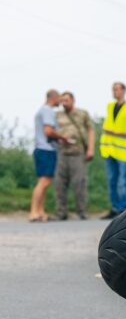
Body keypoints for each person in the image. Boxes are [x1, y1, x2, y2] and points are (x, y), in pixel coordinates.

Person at [100, 82, 126, 219]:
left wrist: (116, 133)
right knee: (112, 180)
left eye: (117, 89)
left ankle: (124, 209)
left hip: (124, 152)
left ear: (124, 91)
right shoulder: (110, 107)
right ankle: (114, 208)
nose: (114, 92)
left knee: (122, 181)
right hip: (109, 150)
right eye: (113, 89)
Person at [53, 91, 95, 220]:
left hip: (78, 153)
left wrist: (91, 149)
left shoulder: (82, 113)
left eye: (66, 100)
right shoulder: (57, 115)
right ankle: (61, 212)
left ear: (73, 100)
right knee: (60, 184)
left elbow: (90, 130)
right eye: (62, 101)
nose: (64, 103)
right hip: (62, 153)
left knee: (79, 184)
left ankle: (81, 211)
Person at [30, 89, 67, 222]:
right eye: (60, 99)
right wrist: (63, 137)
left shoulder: (43, 110)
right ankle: (34, 212)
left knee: (45, 182)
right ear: (54, 98)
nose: (61, 102)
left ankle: (40, 211)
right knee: (44, 182)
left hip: (43, 149)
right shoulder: (48, 111)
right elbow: (48, 131)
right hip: (46, 149)